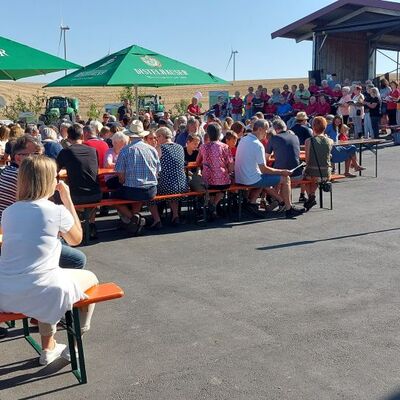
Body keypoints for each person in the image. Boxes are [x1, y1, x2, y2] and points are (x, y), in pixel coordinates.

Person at [0, 155, 98, 366]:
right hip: (42, 287)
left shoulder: (8, 212)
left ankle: (49, 347)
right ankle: (74, 344)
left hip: (5, 290)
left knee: (50, 283)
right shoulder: (56, 211)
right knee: (89, 280)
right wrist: (68, 199)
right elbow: (76, 239)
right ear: (48, 180)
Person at [235, 119, 305, 218]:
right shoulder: (258, 145)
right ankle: (289, 208)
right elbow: (264, 169)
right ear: (260, 129)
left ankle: (256, 203)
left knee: (265, 179)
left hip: (240, 177)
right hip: (251, 178)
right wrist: (283, 172)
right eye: (266, 130)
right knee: (285, 178)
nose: (267, 133)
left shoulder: (243, 139)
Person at [114, 120, 160, 234]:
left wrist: (125, 181)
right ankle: (135, 219)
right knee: (138, 193)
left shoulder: (125, 151)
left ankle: (132, 218)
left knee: (113, 198)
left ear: (130, 135)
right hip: (151, 189)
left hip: (134, 190)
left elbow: (121, 176)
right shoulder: (152, 149)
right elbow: (158, 171)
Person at [57, 124, 102, 240]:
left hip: (76, 196)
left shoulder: (65, 152)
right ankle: (91, 223)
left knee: (59, 195)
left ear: (68, 137)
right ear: (82, 135)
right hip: (96, 194)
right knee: (88, 190)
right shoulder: (93, 151)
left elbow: (55, 171)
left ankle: (72, 226)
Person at [148, 127, 188, 228]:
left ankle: (157, 220)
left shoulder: (159, 148)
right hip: (182, 186)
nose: (156, 140)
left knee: (148, 195)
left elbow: (152, 165)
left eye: (157, 138)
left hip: (166, 186)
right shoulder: (180, 147)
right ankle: (175, 216)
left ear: (161, 136)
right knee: (172, 189)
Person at [196, 124, 233, 219]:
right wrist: (229, 172)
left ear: (208, 134)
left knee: (212, 188)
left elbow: (197, 161)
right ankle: (214, 205)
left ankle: (213, 207)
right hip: (222, 180)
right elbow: (230, 163)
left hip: (207, 180)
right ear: (219, 133)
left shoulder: (203, 147)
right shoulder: (224, 146)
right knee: (223, 187)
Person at [266, 119, 304, 209]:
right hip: (297, 173)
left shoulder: (274, 138)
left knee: (268, 180)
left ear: (275, 130)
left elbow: (266, 157)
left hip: (283, 174)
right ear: (285, 127)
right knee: (282, 176)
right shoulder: (295, 137)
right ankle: (282, 203)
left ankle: (279, 201)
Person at [303, 117, 332, 211]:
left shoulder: (308, 141)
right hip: (326, 173)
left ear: (313, 127)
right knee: (315, 177)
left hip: (313, 172)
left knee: (304, 175)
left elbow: (307, 159)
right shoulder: (330, 141)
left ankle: (311, 195)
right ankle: (311, 196)